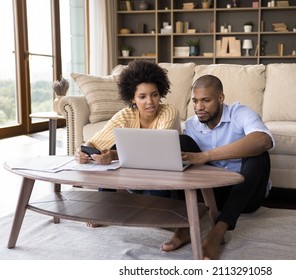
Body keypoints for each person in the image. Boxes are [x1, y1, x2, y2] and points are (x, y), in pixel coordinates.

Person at [161, 74, 275, 259]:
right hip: (211, 194)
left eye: (206, 100)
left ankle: (218, 231)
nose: (199, 107)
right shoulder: (191, 125)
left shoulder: (241, 113)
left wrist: (206, 156)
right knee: (181, 142)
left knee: (259, 155)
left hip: (246, 195)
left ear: (221, 98)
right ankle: (183, 228)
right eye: (195, 101)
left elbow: (263, 140)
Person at [75, 60, 181, 211]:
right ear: (133, 99)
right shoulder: (126, 114)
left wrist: (113, 155)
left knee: (149, 213)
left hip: (160, 178)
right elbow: (94, 143)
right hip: (132, 178)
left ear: (160, 94)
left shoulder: (169, 111)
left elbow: (156, 152)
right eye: (142, 97)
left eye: (154, 95)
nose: (150, 102)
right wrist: (82, 152)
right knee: (115, 146)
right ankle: (104, 207)